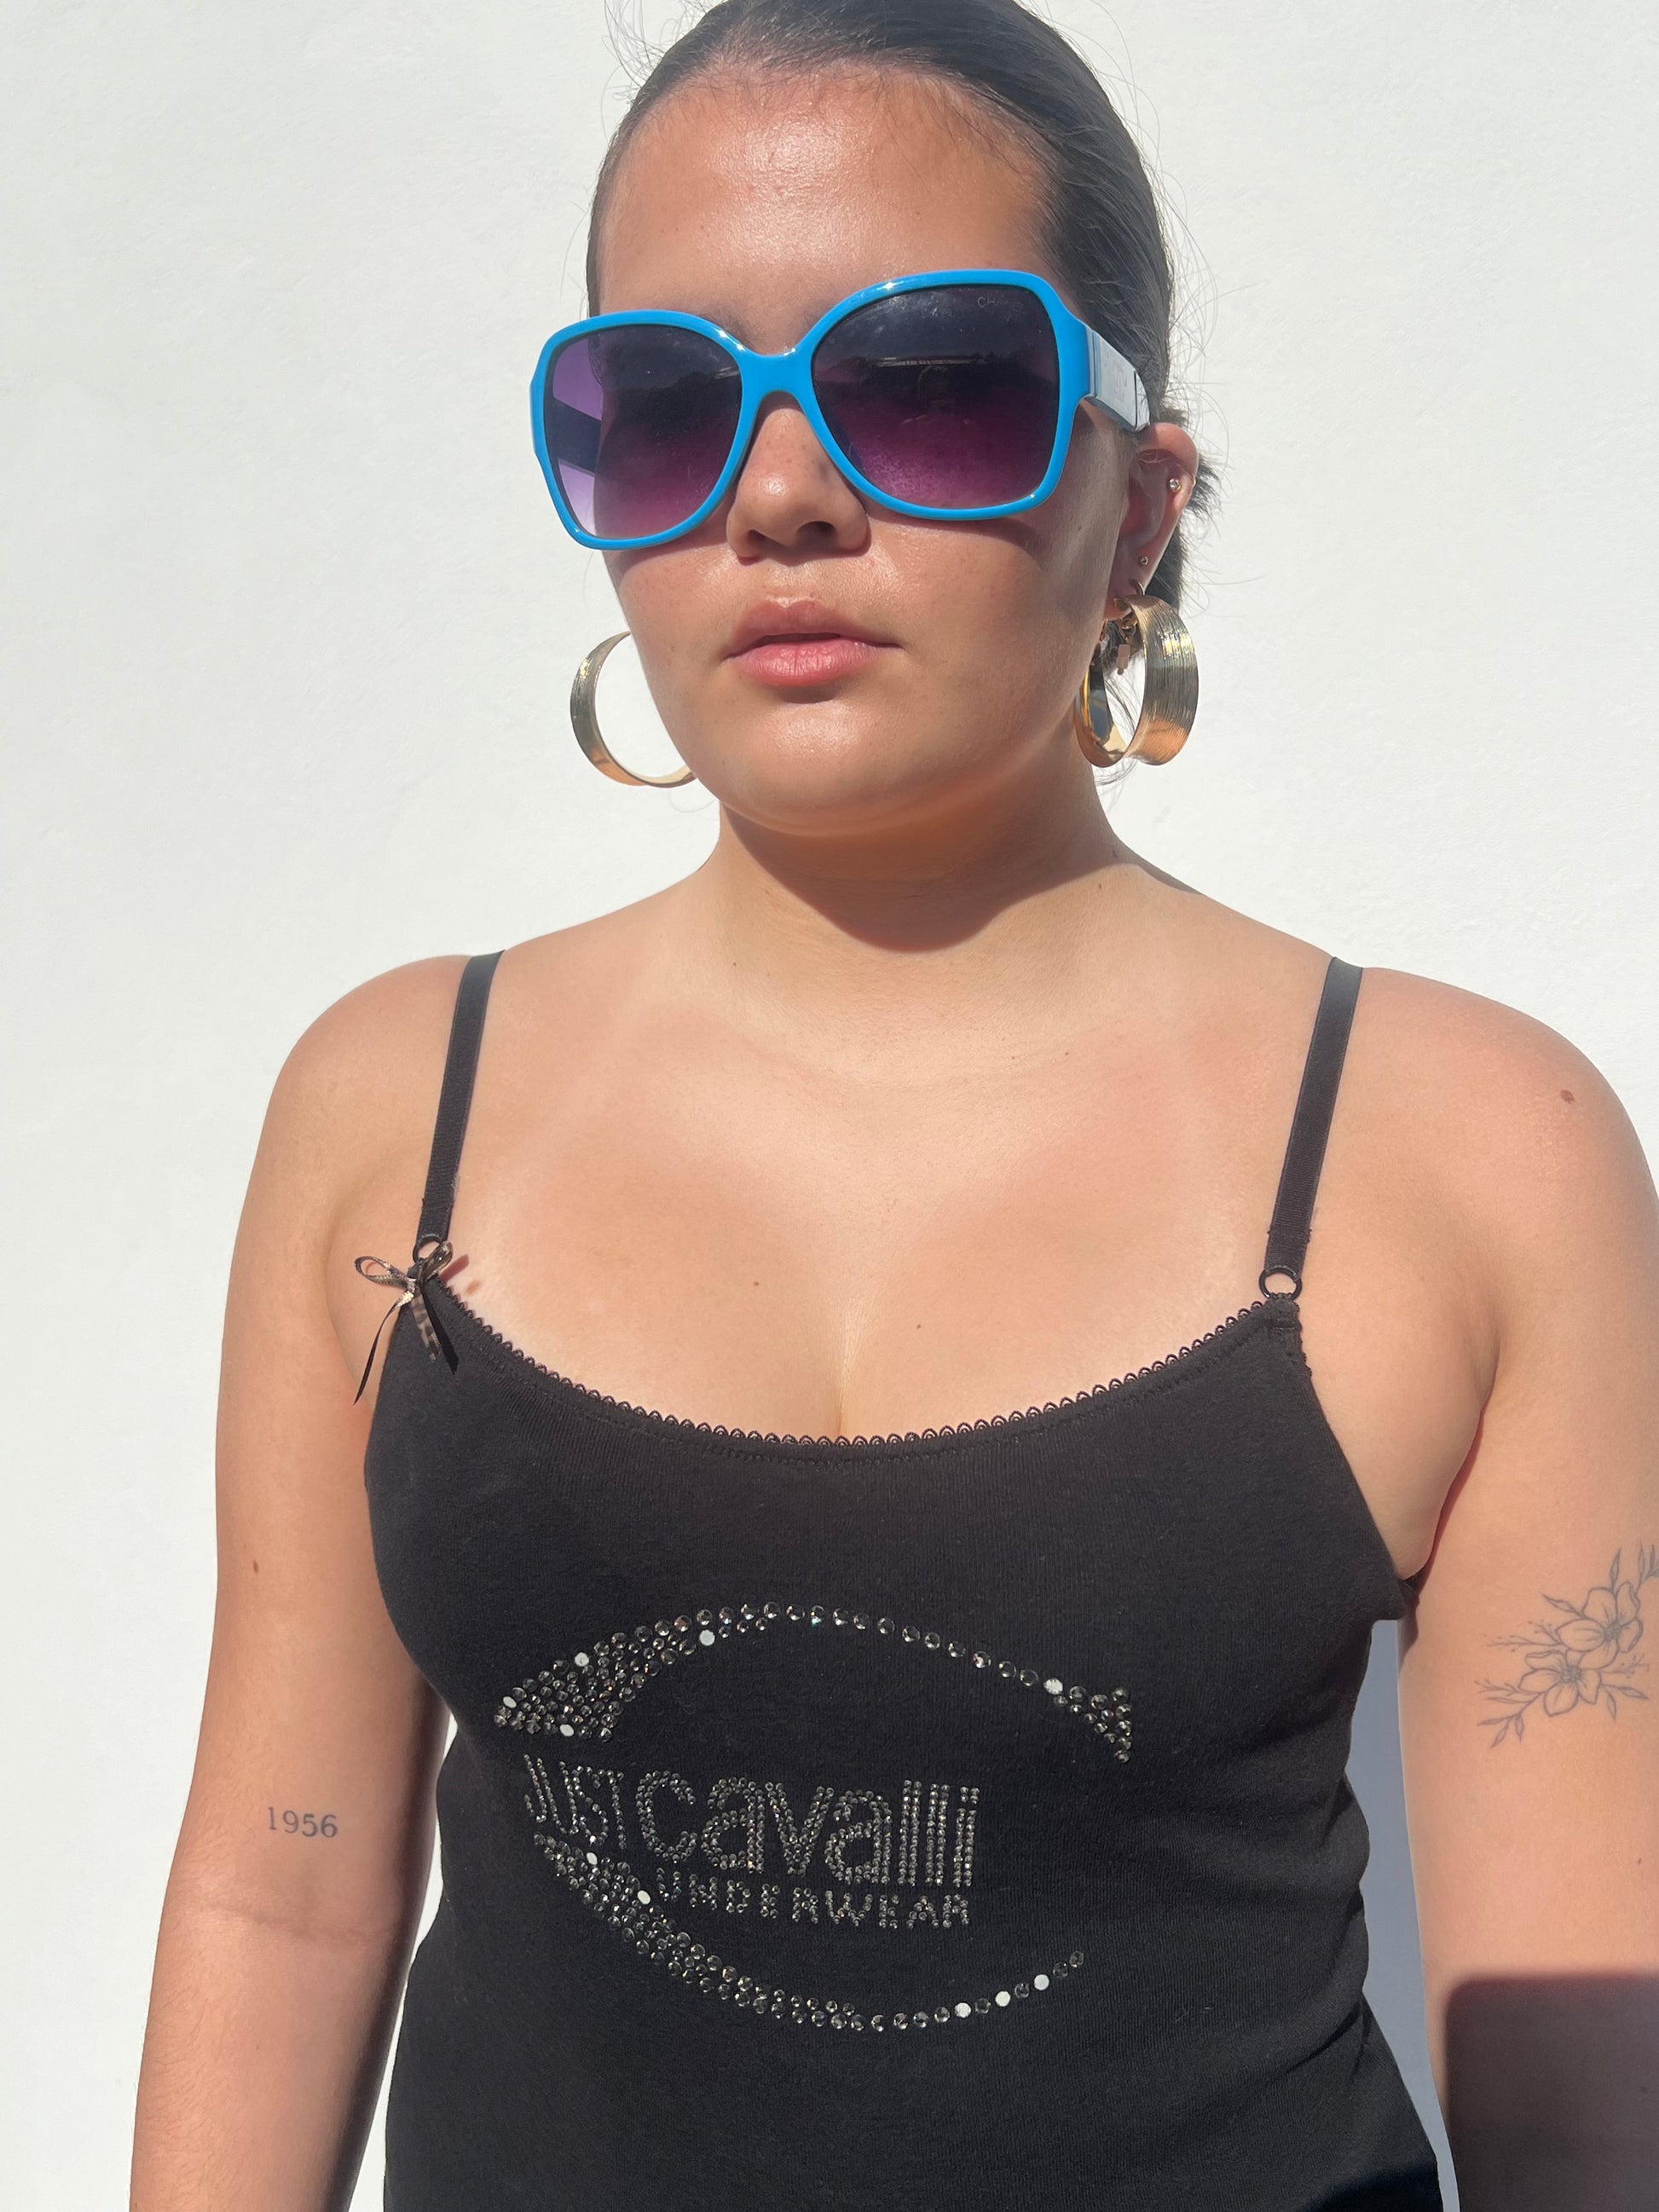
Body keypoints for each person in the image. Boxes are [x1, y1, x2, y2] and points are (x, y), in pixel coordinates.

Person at [130, 3, 1659, 2207]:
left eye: (928, 381)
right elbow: (280, 1887)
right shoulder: (391, 1107)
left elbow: (1582, 2076)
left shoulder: (1471, 1151)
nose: (779, 495)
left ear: (1140, 506)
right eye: (663, 408)